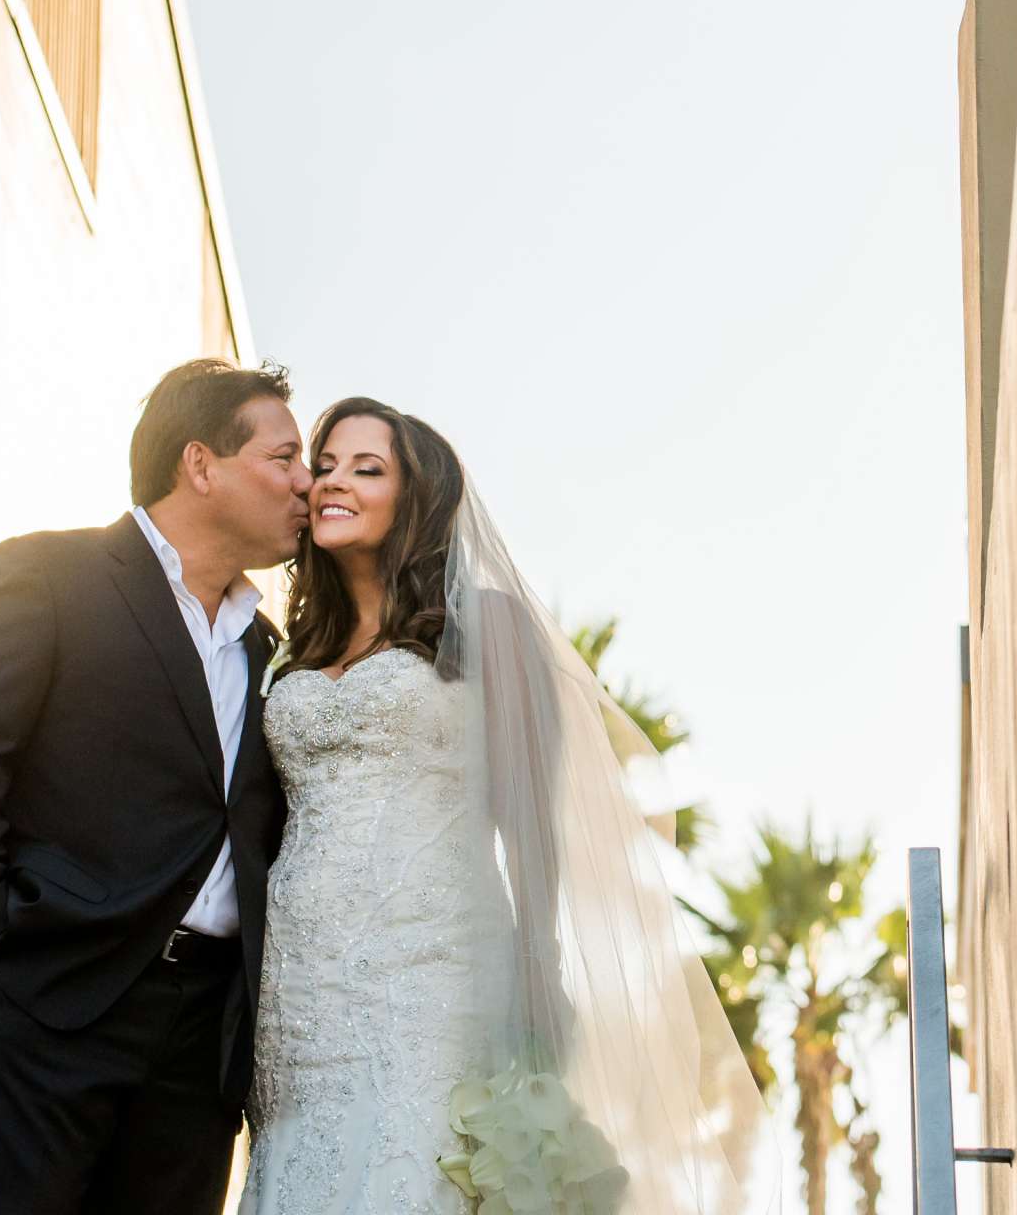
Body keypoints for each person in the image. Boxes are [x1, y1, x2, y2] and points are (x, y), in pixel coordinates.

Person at [239, 397, 775, 1215]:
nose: (331, 482)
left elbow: (532, 821)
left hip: (439, 973)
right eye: (326, 463)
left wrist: (538, 968)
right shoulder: (295, 650)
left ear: (416, 499)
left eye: (366, 468)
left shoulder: (489, 627)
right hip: (299, 990)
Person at [0, 358, 310, 1215]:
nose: (307, 485)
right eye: (284, 459)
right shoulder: (46, 575)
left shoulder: (268, 652)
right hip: (51, 1002)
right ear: (201, 464)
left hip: (202, 1049)